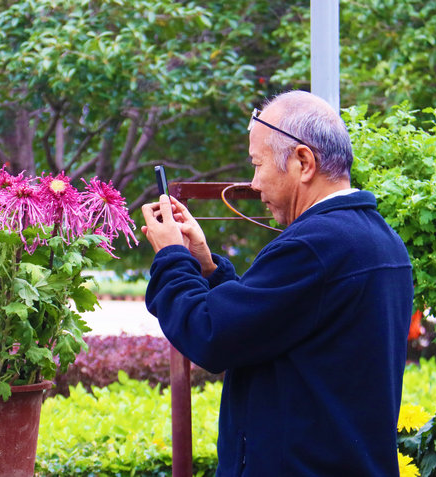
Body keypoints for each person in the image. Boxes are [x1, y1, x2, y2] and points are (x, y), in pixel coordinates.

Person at [140, 90, 413, 476]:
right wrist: (204, 265)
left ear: (303, 162)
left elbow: (210, 335)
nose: (253, 183)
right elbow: (263, 328)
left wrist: (170, 257)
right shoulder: (380, 240)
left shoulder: (314, 247)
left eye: (257, 164)